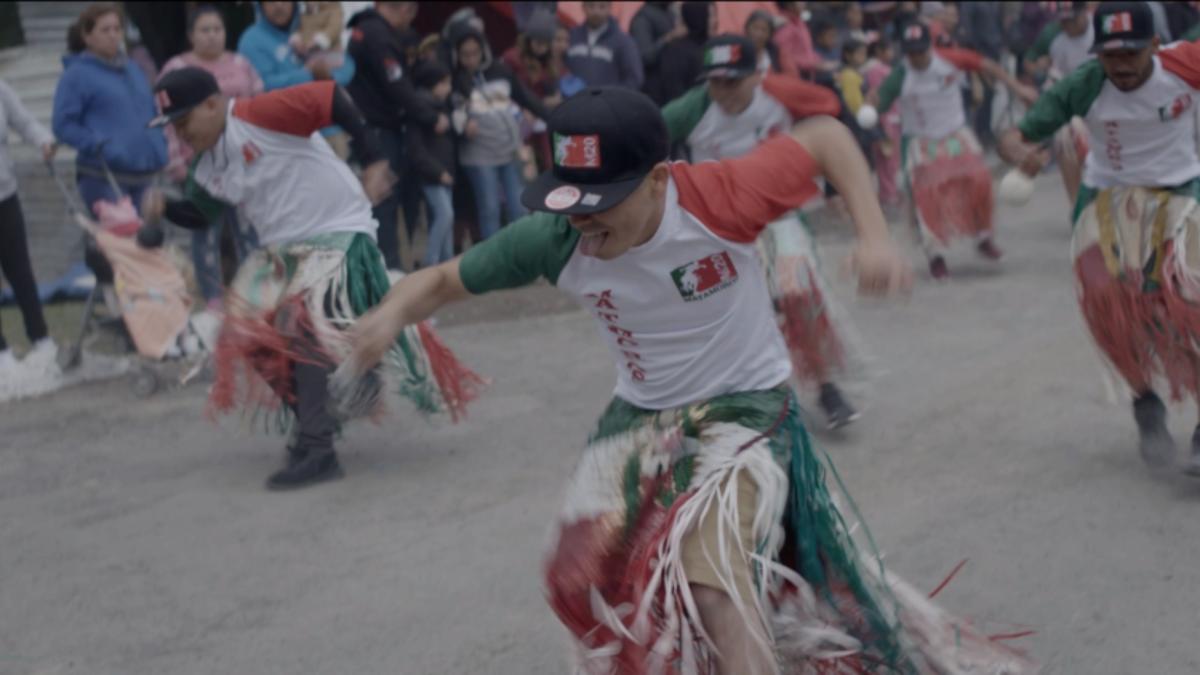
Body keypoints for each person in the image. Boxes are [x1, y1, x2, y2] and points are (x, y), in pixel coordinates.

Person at [348, 85, 1033, 674]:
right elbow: (439, 279)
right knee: (574, 577)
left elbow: (825, 136)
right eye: (569, 199)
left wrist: (875, 235)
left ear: (656, 179)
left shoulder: (718, 198)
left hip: (746, 415)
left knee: (711, 579)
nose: (582, 218)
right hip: (638, 420)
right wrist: (385, 318)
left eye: (600, 200)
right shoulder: (557, 239)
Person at [141, 68, 481, 490]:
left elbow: (332, 97)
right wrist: (166, 209)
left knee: (296, 323)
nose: (180, 134)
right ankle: (324, 410)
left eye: (183, 122)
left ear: (212, 105)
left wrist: (374, 158)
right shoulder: (206, 167)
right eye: (172, 127)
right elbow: (200, 213)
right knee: (248, 337)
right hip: (285, 251)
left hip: (339, 229)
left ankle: (320, 448)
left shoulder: (259, 113)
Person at [998, 2, 1200, 475]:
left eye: (1132, 53)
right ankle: (1145, 403)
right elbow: (1013, 135)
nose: (1122, 65)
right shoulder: (1084, 84)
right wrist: (1021, 154)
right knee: (1110, 308)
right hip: (1106, 202)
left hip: (1182, 196)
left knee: (1191, 306)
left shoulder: (1185, 63)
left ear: (1154, 45)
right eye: (1111, 55)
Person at [662, 34, 864, 430]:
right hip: (717, 231)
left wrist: (837, 187)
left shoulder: (781, 95)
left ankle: (825, 387)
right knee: (720, 311)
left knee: (799, 294)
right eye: (715, 81)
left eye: (733, 81)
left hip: (780, 221)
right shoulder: (691, 110)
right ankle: (725, 400)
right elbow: (641, 139)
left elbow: (830, 113)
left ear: (758, 75)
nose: (724, 92)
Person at [873, 21, 1037, 279]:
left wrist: (1018, 88)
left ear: (929, 47)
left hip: (955, 133)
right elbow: (879, 101)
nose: (917, 57)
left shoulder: (949, 59)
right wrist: (872, 103)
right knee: (926, 195)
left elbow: (987, 65)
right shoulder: (900, 75)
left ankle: (983, 237)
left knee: (980, 179)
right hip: (922, 141)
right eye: (911, 52)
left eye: (921, 51)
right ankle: (935, 254)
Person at [159, 5, 263, 311]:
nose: (212, 36)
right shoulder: (175, 68)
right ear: (191, 35)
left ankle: (252, 295)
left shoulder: (242, 64)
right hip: (198, 163)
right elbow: (166, 123)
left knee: (248, 231)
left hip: (242, 161)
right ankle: (213, 300)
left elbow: (257, 106)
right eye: (204, 30)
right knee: (205, 232)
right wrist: (177, 162)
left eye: (217, 29)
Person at [345, 1, 444, 271]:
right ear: (406, 9)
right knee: (384, 202)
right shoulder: (378, 35)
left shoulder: (365, 29)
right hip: (378, 131)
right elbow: (397, 85)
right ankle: (389, 271)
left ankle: (391, 267)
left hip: (371, 129)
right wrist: (432, 117)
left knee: (390, 202)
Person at [52, 3, 167, 217]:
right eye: (105, 30)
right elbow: (63, 124)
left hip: (146, 174)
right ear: (87, 36)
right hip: (104, 176)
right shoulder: (76, 75)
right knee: (117, 244)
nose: (113, 35)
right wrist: (97, 144)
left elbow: (152, 111)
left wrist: (160, 141)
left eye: (117, 29)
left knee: (147, 244)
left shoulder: (133, 69)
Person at [448, 21, 550, 241]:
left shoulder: (500, 71)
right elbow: (453, 114)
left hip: (508, 149)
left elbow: (526, 98)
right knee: (490, 209)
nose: (471, 59)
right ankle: (492, 265)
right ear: (457, 55)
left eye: (475, 53)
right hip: (479, 156)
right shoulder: (456, 80)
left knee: (519, 206)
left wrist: (552, 118)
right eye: (465, 54)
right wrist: (464, 125)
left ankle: (522, 257)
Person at [0, 79, 59, 396]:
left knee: (20, 270)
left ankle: (41, 339)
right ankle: (2, 354)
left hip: (5, 195)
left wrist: (43, 141)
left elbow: (24, 121)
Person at [238, 1, 356, 157]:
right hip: (287, 139)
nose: (279, 6)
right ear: (260, 6)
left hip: (330, 129)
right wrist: (310, 74)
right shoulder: (252, 40)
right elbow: (264, 85)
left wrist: (330, 76)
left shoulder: (310, 24)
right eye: (271, 2)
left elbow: (346, 65)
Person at [1023, 1, 1094, 206]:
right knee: (1065, 145)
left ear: (1084, 13)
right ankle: (1077, 206)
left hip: (1103, 97)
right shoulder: (1052, 33)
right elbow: (1029, 61)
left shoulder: (1101, 26)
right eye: (1063, 20)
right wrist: (1039, 69)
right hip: (1070, 103)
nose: (1067, 25)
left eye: (1071, 19)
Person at [501, 10, 565, 171]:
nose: (540, 47)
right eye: (537, 42)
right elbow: (507, 90)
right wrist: (524, 108)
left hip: (542, 118)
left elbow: (554, 92)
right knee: (525, 165)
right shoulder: (512, 58)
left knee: (551, 159)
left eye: (544, 44)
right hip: (519, 117)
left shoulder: (552, 62)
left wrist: (551, 101)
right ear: (528, 40)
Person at [408, 60, 457, 268]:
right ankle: (432, 260)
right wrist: (437, 173)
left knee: (447, 217)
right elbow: (417, 150)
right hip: (433, 174)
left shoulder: (441, 108)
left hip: (443, 171)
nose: (448, 88)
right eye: (444, 83)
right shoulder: (421, 111)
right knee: (445, 214)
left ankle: (446, 261)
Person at [565, 1, 644, 89]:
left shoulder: (623, 42)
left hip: (607, 101)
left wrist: (612, 97)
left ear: (610, 8)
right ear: (583, 7)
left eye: (602, 6)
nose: (596, 11)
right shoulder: (571, 36)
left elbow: (634, 79)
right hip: (575, 101)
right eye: (591, 6)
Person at [863, 37, 902, 206]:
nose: (891, 53)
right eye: (888, 50)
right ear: (878, 51)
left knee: (892, 160)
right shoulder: (875, 71)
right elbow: (878, 99)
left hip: (893, 118)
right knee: (887, 160)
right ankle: (888, 195)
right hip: (885, 120)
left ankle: (891, 192)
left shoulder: (882, 68)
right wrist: (882, 126)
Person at [658, 2, 717, 104]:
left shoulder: (713, 47)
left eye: (716, 15)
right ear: (699, 17)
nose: (716, 21)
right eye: (711, 16)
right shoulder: (676, 51)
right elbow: (675, 93)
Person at [630, 1, 687, 104]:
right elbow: (645, 56)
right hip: (654, 94)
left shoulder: (670, 12)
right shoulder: (642, 18)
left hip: (673, 91)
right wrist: (668, 39)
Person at [774, 1, 826, 77]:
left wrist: (819, 61)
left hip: (810, 71)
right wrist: (813, 65)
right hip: (796, 76)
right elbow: (785, 58)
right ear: (789, 4)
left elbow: (806, 51)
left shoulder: (800, 22)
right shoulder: (784, 26)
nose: (804, 3)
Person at [744, 9, 798, 77]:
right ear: (747, 28)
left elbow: (791, 76)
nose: (758, 34)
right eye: (755, 27)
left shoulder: (777, 52)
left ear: (770, 34)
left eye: (764, 30)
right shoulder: (736, 49)